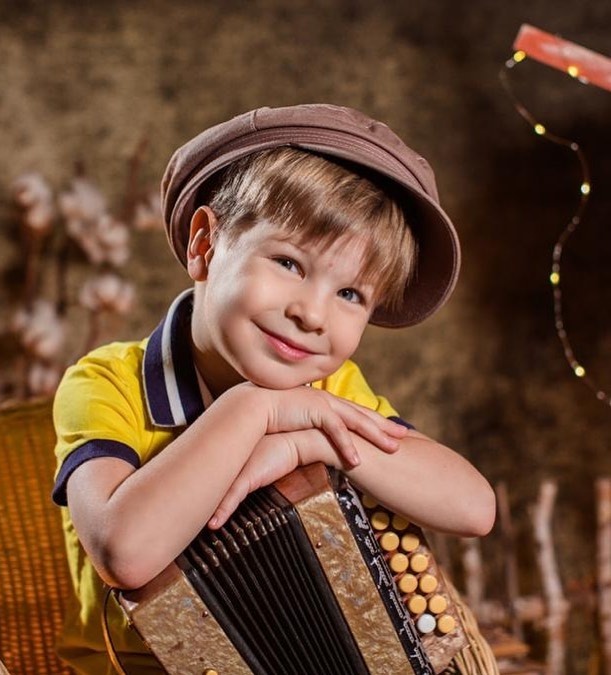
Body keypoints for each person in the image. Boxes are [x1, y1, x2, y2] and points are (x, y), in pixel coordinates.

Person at [51, 103, 496, 674]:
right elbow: (124, 554)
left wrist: (310, 440)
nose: (312, 314)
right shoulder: (106, 383)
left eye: (351, 295)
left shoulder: (329, 385)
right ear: (205, 245)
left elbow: (474, 508)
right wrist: (254, 408)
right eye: (289, 263)